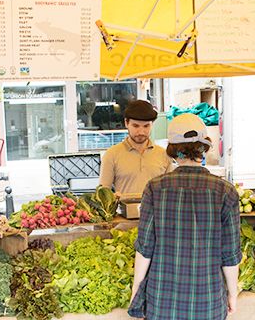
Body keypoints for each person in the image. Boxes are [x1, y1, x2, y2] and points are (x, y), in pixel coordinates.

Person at [128, 113, 241, 320]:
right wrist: (232, 294)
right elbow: (230, 255)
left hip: (161, 300)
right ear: (204, 147)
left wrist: (137, 288)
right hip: (208, 301)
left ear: (172, 149)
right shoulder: (226, 192)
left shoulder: (155, 188)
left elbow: (145, 248)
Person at [99, 100, 173, 195]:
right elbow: (103, 194)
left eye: (146, 126)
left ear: (152, 125)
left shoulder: (164, 154)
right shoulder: (111, 155)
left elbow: (170, 191)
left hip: (156, 210)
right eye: (136, 126)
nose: (141, 132)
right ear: (126, 123)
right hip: (125, 210)